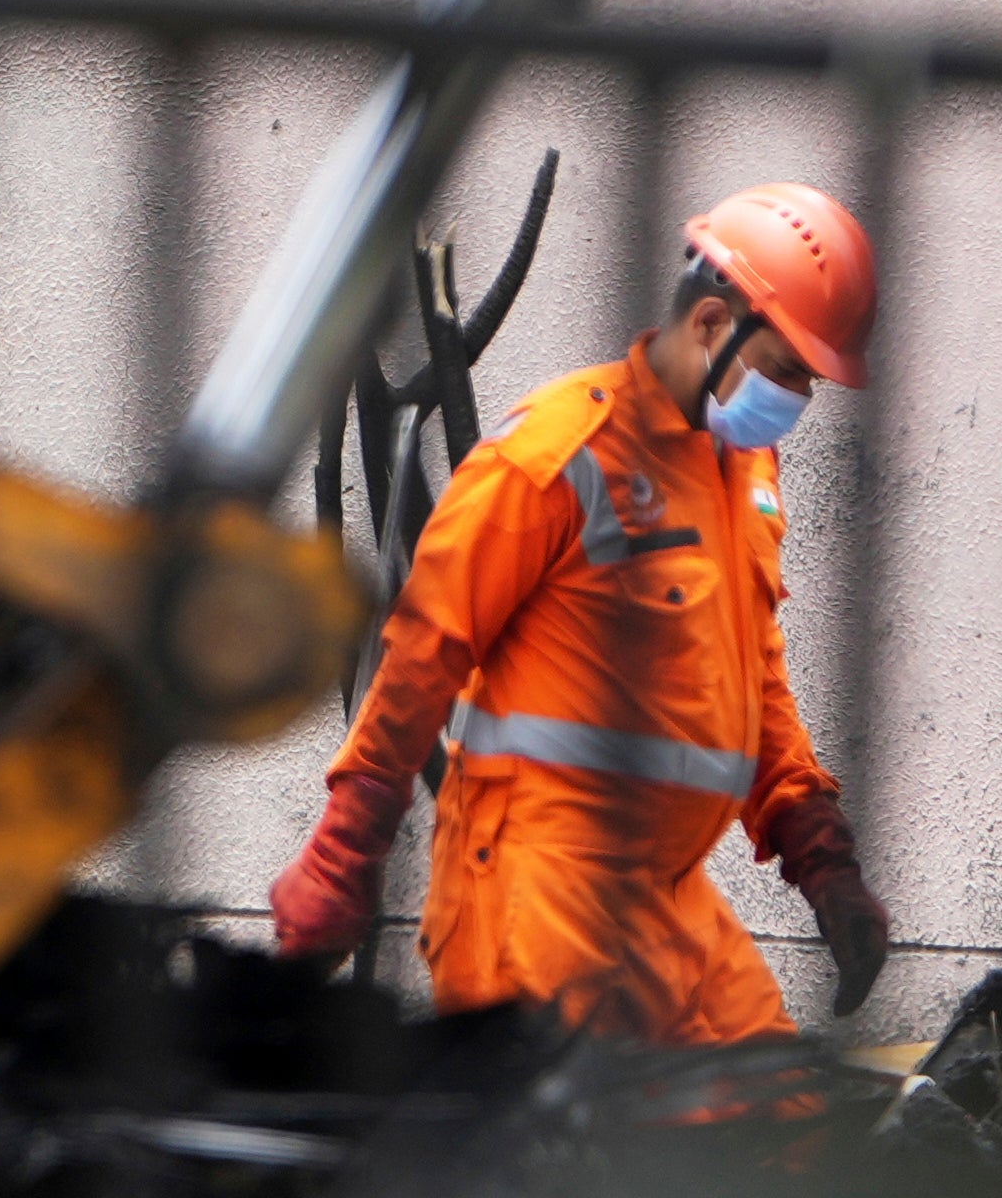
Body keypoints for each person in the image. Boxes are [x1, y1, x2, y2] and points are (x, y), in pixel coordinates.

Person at [263, 182, 892, 1038]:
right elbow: (424, 647)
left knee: (788, 1138)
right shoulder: (556, 455)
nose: (797, 402)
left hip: (667, 903)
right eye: (787, 371)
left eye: (810, 382)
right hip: (535, 897)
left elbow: (755, 669)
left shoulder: (743, 471)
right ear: (712, 325)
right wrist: (344, 853)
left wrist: (821, 854)